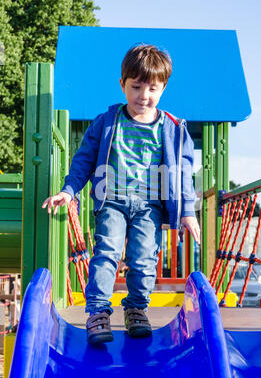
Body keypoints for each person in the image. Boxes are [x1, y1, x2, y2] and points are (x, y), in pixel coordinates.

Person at [42, 44, 200, 345]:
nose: (144, 96)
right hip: (111, 201)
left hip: (149, 206)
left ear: (163, 88)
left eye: (152, 88)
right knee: (107, 255)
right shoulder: (108, 121)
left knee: (144, 261)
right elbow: (84, 159)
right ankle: (98, 312)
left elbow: (183, 171)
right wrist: (69, 190)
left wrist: (188, 211)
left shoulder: (173, 128)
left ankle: (137, 309)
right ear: (122, 85)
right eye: (136, 87)